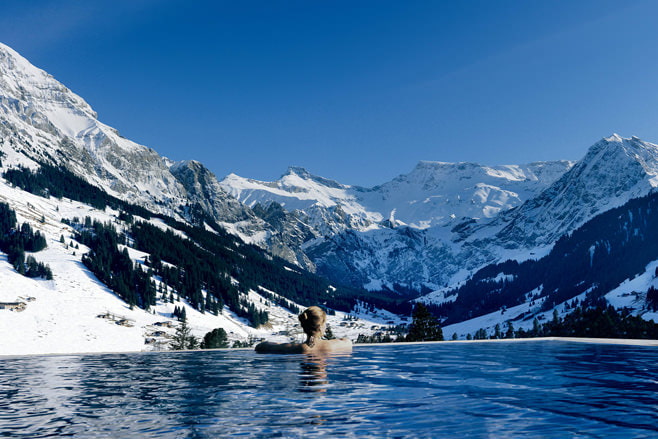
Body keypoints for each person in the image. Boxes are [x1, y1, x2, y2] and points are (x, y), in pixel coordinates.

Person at [255, 306, 352, 354]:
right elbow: (348, 342)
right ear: (321, 326)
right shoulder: (334, 346)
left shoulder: (298, 348)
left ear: (304, 325)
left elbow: (260, 347)